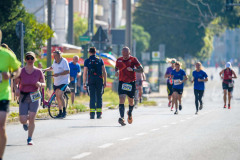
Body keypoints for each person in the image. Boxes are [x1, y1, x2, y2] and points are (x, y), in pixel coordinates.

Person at [14, 52, 45, 145]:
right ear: (25, 60)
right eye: (28, 58)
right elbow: (15, 83)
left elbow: (44, 84)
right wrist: (16, 89)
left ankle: (30, 138)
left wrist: (40, 84)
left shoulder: (38, 71)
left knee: (32, 117)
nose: (30, 60)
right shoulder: (21, 71)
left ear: (34, 59)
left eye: (32, 58)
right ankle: (25, 123)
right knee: (22, 119)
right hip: (23, 96)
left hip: (35, 95)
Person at [0, 29, 21, 160]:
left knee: (1, 127)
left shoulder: (7, 55)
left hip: (3, 96)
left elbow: (18, 69)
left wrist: (11, 75)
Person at [115, 46, 143, 126]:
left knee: (131, 101)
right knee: (122, 98)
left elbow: (141, 69)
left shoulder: (133, 59)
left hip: (131, 82)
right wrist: (116, 72)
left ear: (129, 53)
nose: (125, 56)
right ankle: (122, 118)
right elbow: (116, 67)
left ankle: (129, 112)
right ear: (122, 53)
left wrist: (133, 70)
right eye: (123, 55)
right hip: (122, 82)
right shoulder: (119, 60)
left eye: (126, 55)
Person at [43, 50, 70, 118]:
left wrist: (59, 74)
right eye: (53, 56)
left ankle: (64, 112)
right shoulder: (54, 62)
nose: (54, 57)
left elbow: (67, 71)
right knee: (57, 97)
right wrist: (45, 70)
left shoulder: (64, 61)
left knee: (60, 95)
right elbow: (52, 68)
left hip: (63, 82)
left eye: (55, 56)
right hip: (56, 82)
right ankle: (60, 112)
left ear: (59, 55)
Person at [83, 47, 107, 119]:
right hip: (99, 80)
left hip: (91, 80)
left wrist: (84, 83)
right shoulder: (100, 60)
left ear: (89, 52)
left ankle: (92, 114)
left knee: (92, 97)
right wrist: (105, 82)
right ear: (95, 52)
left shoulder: (87, 61)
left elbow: (85, 73)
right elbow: (104, 72)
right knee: (99, 97)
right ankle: (99, 114)